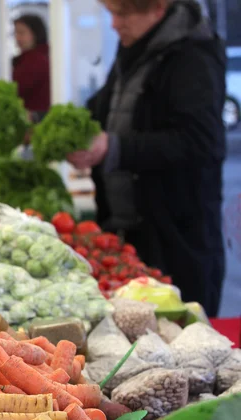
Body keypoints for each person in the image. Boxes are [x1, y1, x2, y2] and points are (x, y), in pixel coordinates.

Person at [67, 0, 227, 316]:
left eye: (123, 14)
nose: (114, 24)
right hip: (131, 232)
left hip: (177, 239)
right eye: (111, 13)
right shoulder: (134, 49)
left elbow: (201, 143)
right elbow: (102, 109)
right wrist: (68, 134)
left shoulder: (192, 57)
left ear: (157, 8)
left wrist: (113, 149)